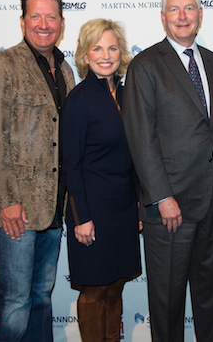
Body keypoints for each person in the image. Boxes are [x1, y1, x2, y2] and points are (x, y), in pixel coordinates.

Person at [123, 0, 213, 342]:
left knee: (211, 298)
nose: (182, 16)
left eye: (189, 8)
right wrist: (161, 196)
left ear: (200, 15)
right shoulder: (145, 65)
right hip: (170, 205)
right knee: (167, 304)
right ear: (162, 16)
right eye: (174, 9)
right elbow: (140, 136)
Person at [0, 0, 75, 341]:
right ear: (22, 21)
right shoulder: (1, 65)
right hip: (16, 211)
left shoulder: (65, 71)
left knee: (40, 298)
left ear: (62, 23)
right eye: (36, 16)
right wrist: (6, 201)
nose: (44, 24)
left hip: (53, 210)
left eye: (51, 17)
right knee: (15, 301)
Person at [62, 18, 141, 342]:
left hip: (122, 209)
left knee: (114, 287)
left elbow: (135, 157)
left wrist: (137, 205)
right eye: (97, 48)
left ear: (121, 53)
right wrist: (82, 219)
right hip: (92, 210)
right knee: (94, 292)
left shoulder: (127, 96)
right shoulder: (79, 101)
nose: (106, 55)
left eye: (112, 48)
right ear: (84, 55)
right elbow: (72, 165)